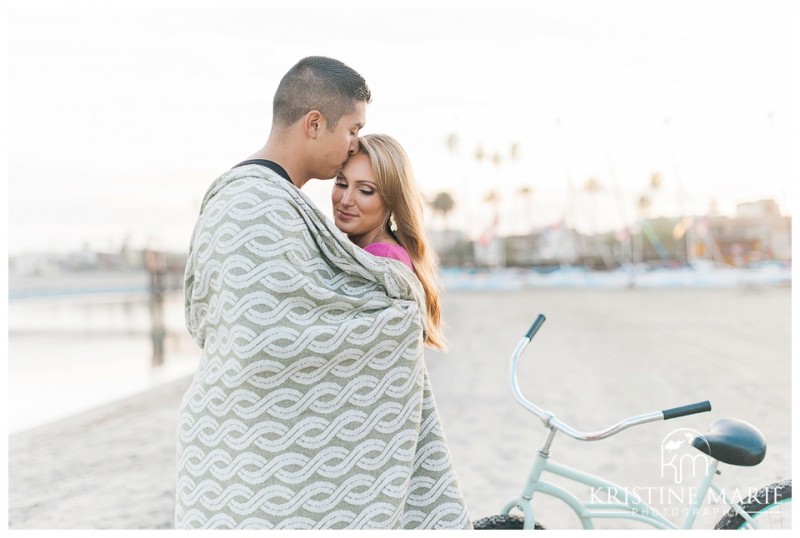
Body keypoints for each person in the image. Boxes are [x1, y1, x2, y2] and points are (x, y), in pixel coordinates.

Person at [175, 57, 471, 530]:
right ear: (315, 123)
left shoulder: (280, 205)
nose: (355, 142)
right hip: (247, 441)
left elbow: (317, 314)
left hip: (261, 444)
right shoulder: (256, 202)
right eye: (353, 129)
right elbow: (258, 333)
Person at [331, 133, 445, 350]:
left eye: (365, 190)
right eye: (341, 183)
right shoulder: (371, 252)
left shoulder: (381, 257)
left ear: (392, 200)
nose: (346, 200)